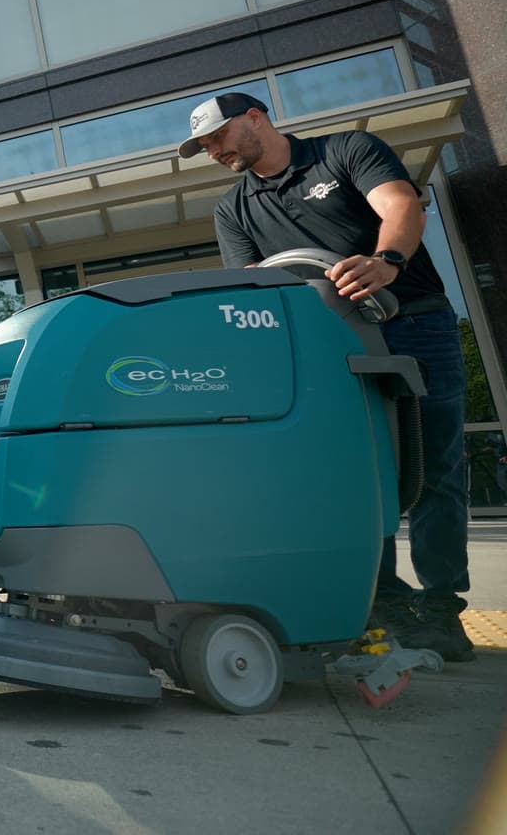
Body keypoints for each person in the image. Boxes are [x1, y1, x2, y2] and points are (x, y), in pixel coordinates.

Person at [182, 91, 473, 661]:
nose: (212, 151)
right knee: (360, 474)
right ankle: (384, 604)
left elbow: (399, 206)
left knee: (438, 466)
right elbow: (253, 290)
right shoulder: (233, 209)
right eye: (204, 146)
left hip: (414, 323)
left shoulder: (345, 152)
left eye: (216, 138)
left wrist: (386, 262)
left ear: (255, 118)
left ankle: (441, 612)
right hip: (335, 346)